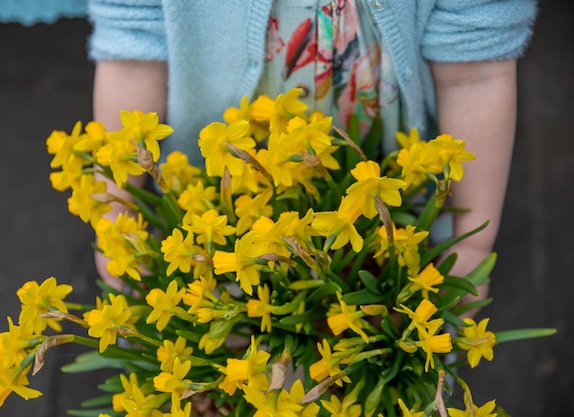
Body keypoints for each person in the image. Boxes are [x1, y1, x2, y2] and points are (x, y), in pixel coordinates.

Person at [86, 0, 537, 316]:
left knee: (382, 354)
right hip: (214, 210)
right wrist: (117, 226)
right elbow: (131, 51)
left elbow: (476, 70)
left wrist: (470, 245)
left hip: (396, 204)